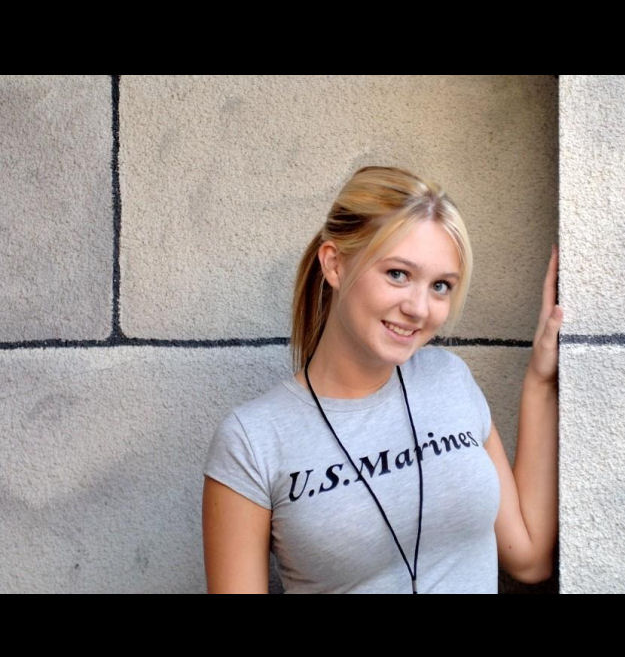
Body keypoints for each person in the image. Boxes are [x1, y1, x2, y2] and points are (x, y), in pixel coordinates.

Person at [202, 166, 562, 594]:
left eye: (440, 286)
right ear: (334, 264)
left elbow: (530, 558)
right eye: (398, 274)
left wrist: (541, 380)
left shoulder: (450, 380)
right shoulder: (252, 441)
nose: (418, 308)